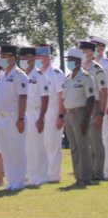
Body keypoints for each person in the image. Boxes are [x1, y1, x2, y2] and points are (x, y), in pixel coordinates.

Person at [0, 45, 28, 191]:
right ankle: (11, 180)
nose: (1, 60)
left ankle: (19, 181)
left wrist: (20, 119)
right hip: (1, 117)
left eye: (4, 57)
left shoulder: (19, 75)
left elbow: (23, 97)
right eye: (1, 57)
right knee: (6, 152)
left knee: (17, 151)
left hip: (14, 117)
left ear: (13, 59)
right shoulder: (2, 75)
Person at [62, 48, 96, 186]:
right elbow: (64, 97)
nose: (69, 63)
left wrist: (87, 118)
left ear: (78, 61)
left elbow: (91, 98)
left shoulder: (86, 77)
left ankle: (85, 178)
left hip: (80, 112)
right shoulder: (68, 78)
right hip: (69, 113)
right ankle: (78, 176)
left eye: (71, 60)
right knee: (74, 146)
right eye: (68, 60)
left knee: (83, 146)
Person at [19, 47, 50, 186]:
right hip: (24, 113)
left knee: (38, 146)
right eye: (21, 58)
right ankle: (31, 176)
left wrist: (41, 117)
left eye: (25, 58)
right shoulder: (21, 75)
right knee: (28, 148)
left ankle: (42, 176)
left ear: (32, 59)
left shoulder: (40, 75)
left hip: (36, 112)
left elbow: (45, 98)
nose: (23, 61)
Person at [36, 45, 66, 183]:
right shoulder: (36, 73)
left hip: (52, 110)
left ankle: (53, 175)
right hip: (39, 110)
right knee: (39, 143)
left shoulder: (56, 73)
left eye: (40, 57)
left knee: (52, 143)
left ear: (47, 58)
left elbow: (62, 96)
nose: (37, 60)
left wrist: (61, 115)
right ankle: (41, 173)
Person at [79, 40, 107, 182]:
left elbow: (103, 92)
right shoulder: (78, 70)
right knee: (84, 140)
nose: (82, 54)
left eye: (84, 52)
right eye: (81, 52)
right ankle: (86, 171)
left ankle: (98, 172)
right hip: (81, 106)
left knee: (95, 140)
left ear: (91, 53)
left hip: (94, 105)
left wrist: (101, 113)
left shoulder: (98, 69)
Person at [88, 34, 108, 179]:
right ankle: (95, 169)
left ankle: (104, 170)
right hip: (91, 104)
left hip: (104, 105)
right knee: (93, 138)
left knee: (105, 137)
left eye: (96, 47)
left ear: (101, 48)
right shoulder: (88, 65)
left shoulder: (106, 64)